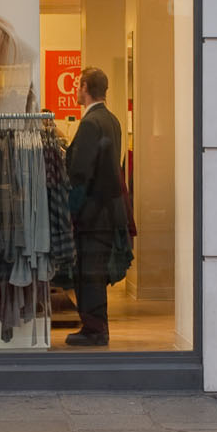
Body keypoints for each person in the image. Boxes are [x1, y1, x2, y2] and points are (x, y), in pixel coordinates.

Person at [64, 66, 127, 347]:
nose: (76, 91)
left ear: (86, 86)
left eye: (78, 85)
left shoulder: (91, 123)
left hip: (92, 213)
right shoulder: (112, 120)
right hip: (107, 211)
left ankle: (94, 330)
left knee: (88, 273)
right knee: (95, 273)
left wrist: (72, 210)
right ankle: (97, 327)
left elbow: (81, 171)